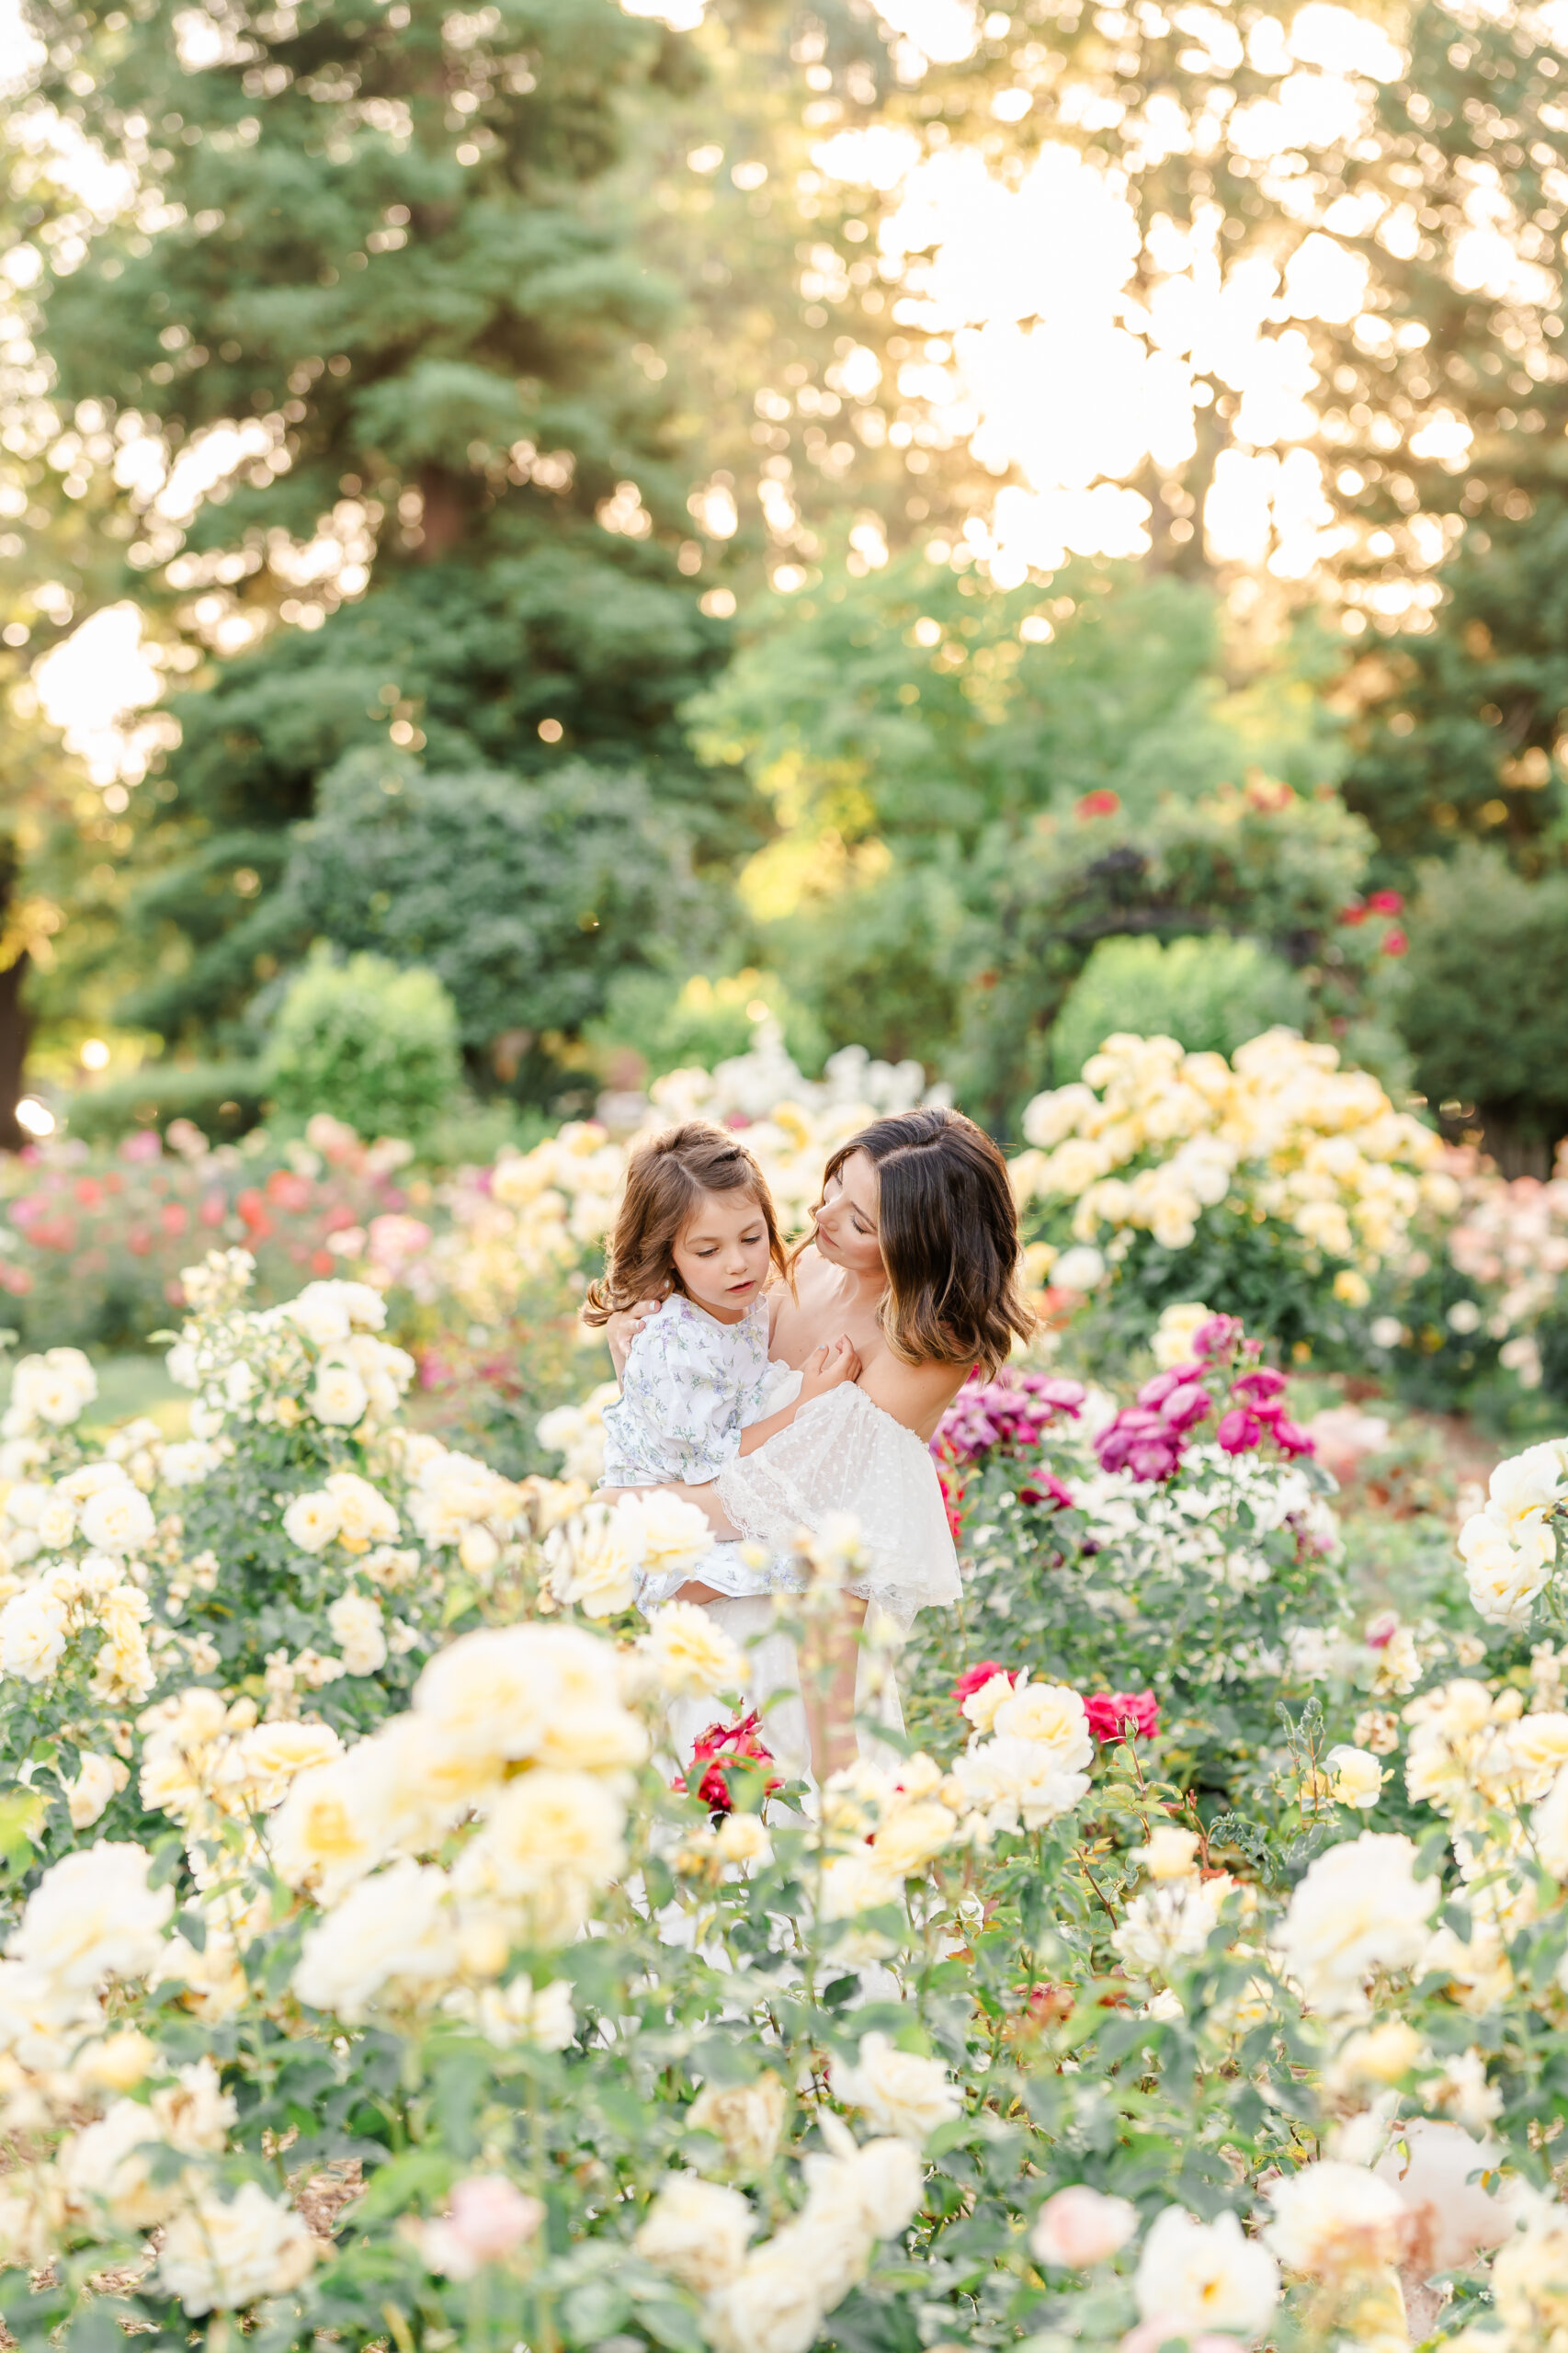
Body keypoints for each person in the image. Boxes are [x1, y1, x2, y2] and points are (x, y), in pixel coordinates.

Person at [603, 1106, 1034, 1776]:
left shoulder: (921, 1346)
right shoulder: (813, 1264)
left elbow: (807, 1509)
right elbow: (708, 1409)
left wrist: (632, 1507)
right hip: (705, 1603)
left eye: (858, 1220)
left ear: (917, 1246)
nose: (820, 1216)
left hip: (790, 1639)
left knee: (786, 1827)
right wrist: (633, 1340)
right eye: (835, 1185)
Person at [582, 1120, 864, 1612]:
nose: (738, 1264)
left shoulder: (742, 1298)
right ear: (666, 1254)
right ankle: (666, 1592)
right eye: (708, 1251)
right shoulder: (674, 1343)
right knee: (821, 1561)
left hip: (708, 1490)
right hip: (668, 1517)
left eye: (752, 1238)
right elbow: (710, 1462)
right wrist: (805, 1402)